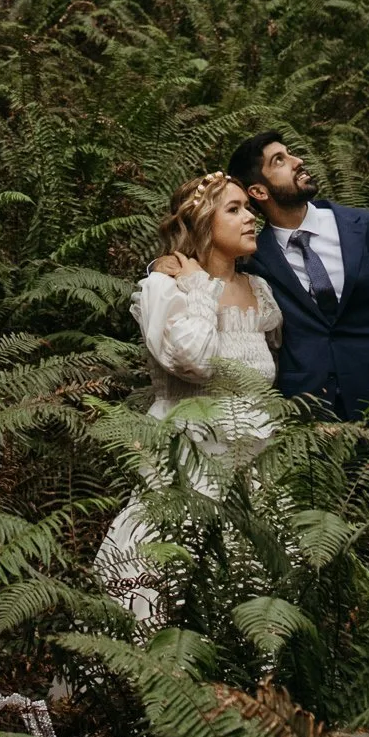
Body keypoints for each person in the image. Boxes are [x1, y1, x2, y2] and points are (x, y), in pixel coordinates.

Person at [160, 132, 369, 485]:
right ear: (259, 192)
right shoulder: (251, 258)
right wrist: (162, 266)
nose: (297, 161)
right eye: (278, 160)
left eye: (291, 154)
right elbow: (205, 268)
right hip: (309, 429)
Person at [94, 169, 287, 629]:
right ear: (202, 221)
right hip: (188, 462)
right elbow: (194, 361)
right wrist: (200, 286)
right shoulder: (165, 287)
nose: (250, 219)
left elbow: (262, 375)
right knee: (163, 578)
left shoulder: (260, 292)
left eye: (249, 208)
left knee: (253, 596)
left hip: (254, 472)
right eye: (234, 209)